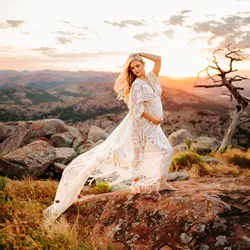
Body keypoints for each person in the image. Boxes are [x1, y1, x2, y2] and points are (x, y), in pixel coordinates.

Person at [43, 52, 175, 223]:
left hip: (152, 125)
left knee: (143, 152)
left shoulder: (152, 76)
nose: (135, 69)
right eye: (132, 67)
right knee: (162, 150)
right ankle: (156, 183)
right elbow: (137, 110)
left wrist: (139, 53)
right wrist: (156, 119)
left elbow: (159, 58)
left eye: (138, 65)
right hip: (144, 124)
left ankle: (152, 183)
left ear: (143, 64)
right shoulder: (137, 86)